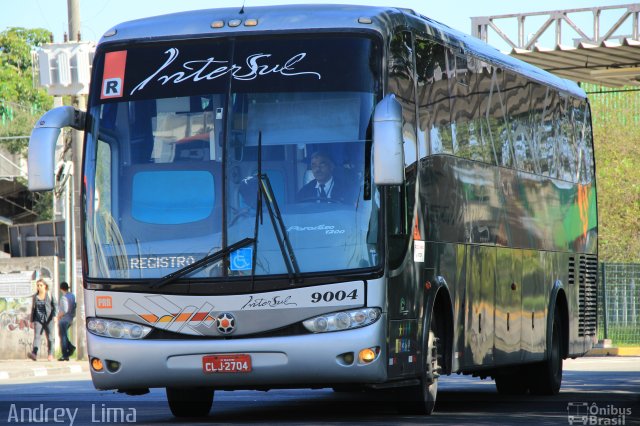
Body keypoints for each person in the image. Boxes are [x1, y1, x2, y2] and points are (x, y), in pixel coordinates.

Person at [28, 279, 57, 361]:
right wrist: (31, 321)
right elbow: (33, 309)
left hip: (49, 319)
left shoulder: (50, 294)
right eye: (38, 285)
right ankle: (34, 353)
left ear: (45, 286)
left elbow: (55, 305)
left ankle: (50, 354)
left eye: (41, 285)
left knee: (50, 337)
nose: (39, 287)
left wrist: (54, 316)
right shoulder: (35, 296)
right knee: (37, 336)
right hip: (38, 319)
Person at [57, 282, 76, 361]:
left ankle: (65, 354)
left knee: (63, 337)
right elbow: (74, 307)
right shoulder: (72, 296)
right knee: (63, 335)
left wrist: (58, 316)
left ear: (61, 289)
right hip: (70, 318)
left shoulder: (64, 298)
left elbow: (64, 310)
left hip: (64, 319)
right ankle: (71, 348)